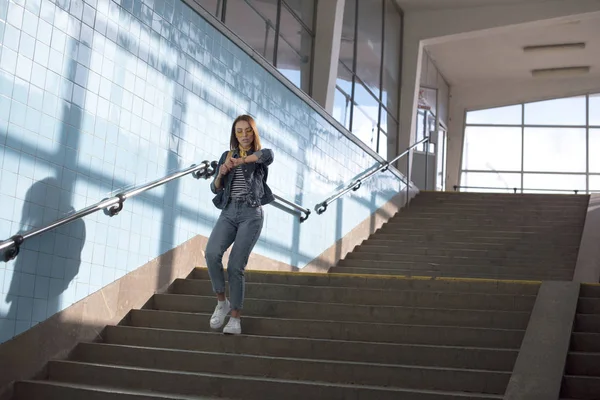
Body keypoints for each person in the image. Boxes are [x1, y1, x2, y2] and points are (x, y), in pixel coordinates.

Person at [205, 114, 274, 335]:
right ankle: (221, 302)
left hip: (250, 214)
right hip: (228, 211)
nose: (244, 135)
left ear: (254, 132)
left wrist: (242, 161)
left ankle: (235, 318)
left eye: (248, 130)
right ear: (234, 135)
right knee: (211, 253)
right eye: (239, 131)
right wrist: (221, 173)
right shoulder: (226, 155)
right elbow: (215, 188)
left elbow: (267, 155)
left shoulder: (259, 156)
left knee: (235, 265)